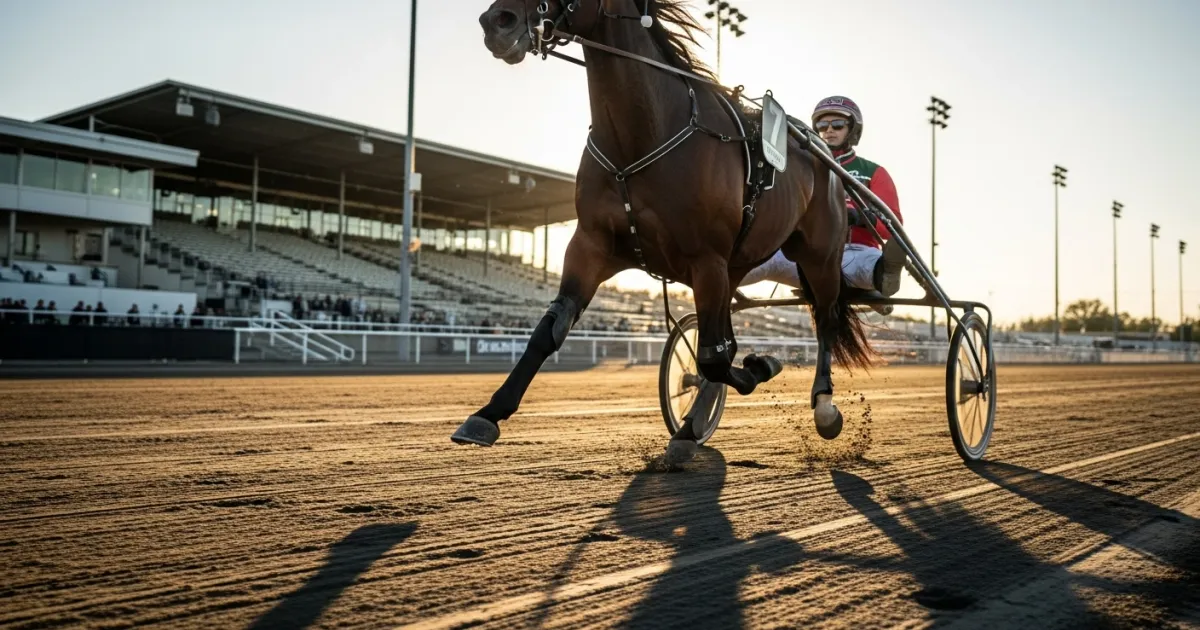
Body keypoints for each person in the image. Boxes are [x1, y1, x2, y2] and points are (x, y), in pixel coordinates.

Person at [740, 95, 906, 296]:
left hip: (854, 249)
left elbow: (893, 225)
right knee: (762, 259)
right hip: (802, 254)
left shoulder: (873, 172)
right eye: (822, 125)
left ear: (853, 130)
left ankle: (884, 273)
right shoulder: (802, 167)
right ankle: (717, 274)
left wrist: (861, 217)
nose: (828, 130)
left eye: (837, 125)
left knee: (862, 264)